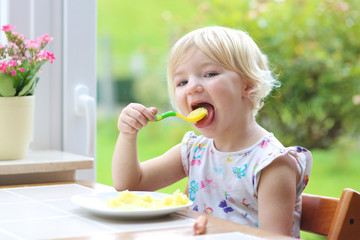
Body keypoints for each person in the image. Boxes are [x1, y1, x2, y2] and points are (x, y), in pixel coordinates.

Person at [112, 26, 312, 238]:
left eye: (209, 74)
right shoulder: (194, 152)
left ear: (248, 85)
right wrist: (127, 134)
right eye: (182, 82)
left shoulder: (270, 164)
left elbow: (274, 238)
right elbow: (130, 184)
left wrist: (212, 232)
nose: (191, 87)